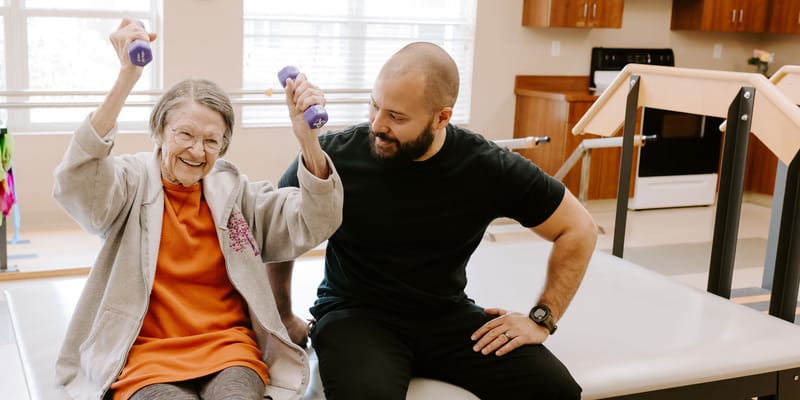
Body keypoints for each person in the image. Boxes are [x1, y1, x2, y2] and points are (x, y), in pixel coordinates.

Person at [268, 42, 598, 399]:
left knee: (555, 390)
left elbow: (578, 228)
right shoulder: (337, 155)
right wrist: (284, 314)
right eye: (374, 105)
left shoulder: (486, 166)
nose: (377, 125)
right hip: (354, 315)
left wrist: (542, 319)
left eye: (396, 116)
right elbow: (277, 228)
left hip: (444, 315)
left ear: (442, 117)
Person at [52, 19, 342, 400]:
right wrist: (127, 78)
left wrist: (308, 141)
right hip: (144, 355)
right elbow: (76, 183)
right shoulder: (130, 181)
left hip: (228, 348)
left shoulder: (233, 190)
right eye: (185, 134)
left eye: (212, 141)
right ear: (159, 132)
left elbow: (314, 219)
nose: (197, 151)